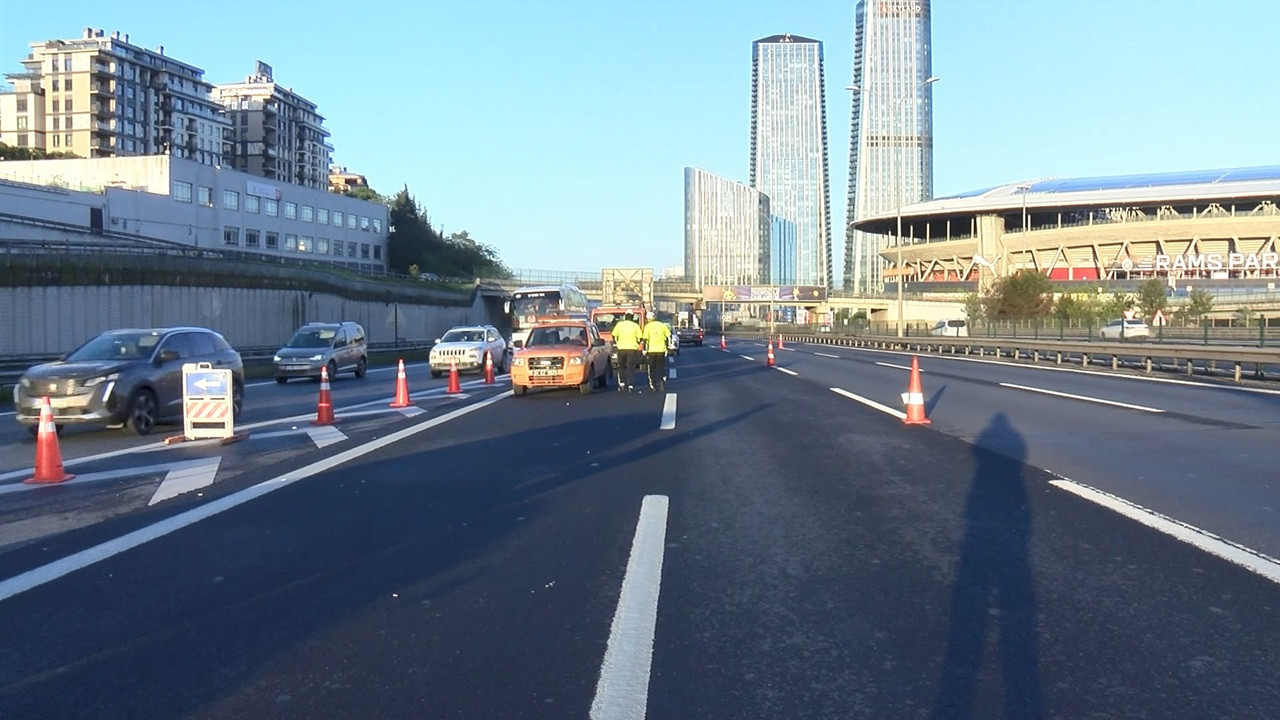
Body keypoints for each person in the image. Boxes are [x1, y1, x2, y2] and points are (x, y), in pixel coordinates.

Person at [611, 311, 643, 392]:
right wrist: (636, 343)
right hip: (632, 349)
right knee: (630, 367)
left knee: (621, 366)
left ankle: (622, 383)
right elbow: (640, 337)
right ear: (632, 317)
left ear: (625, 316)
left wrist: (617, 343)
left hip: (621, 348)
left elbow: (614, 335)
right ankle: (630, 385)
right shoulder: (635, 326)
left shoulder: (619, 325)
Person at [641, 318, 672, 392]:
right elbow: (669, 336)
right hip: (661, 349)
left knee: (651, 368)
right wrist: (668, 347)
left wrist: (644, 349)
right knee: (661, 367)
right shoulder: (662, 325)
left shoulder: (648, 326)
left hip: (651, 350)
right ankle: (662, 380)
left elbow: (645, 339)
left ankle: (653, 385)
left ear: (648, 319)